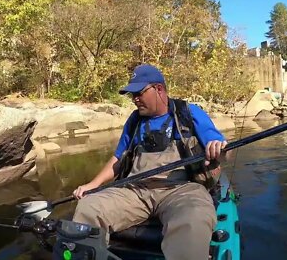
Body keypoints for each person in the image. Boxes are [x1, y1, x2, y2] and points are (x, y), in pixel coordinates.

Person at [72, 64, 228, 260]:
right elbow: (118, 159)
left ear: (159, 89)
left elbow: (221, 150)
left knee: (194, 215)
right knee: (89, 207)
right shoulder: (134, 121)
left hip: (181, 190)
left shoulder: (188, 113)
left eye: (139, 92)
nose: (135, 99)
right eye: (132, 95)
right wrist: (92, 186)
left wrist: (217, 149)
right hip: (136, 191)